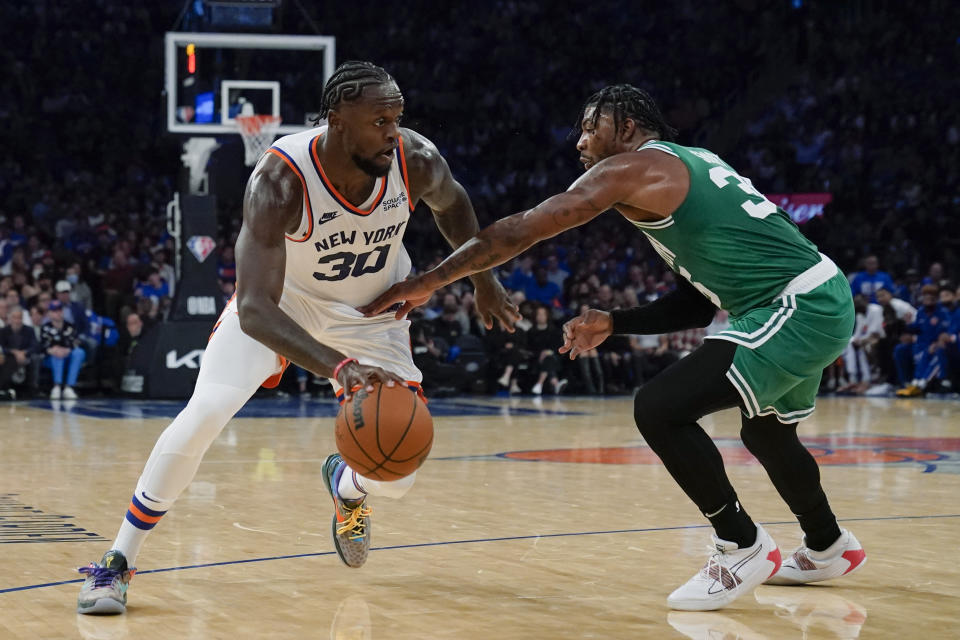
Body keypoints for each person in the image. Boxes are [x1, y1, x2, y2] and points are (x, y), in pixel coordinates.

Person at [362, 84, 866, 611]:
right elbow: (696, 305)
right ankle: (828, 545)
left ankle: (741, 544)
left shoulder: (631, 170)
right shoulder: (689, 163)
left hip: (795, 306)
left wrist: (431, 280)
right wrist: (614, 321)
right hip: (815, 298)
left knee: (659, 408)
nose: (579, 141)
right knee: (766, 432)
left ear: (625, 126)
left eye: (590, 127)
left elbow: (525, 229)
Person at [76, 61, 518, 615]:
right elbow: (256, 309)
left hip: (370, 315)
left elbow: (454, 207)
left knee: (397, 474)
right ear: (336, 120)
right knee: (205, 412)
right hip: (283, 303)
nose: (391, 132)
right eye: (379, 119)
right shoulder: (280, 179)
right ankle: (117, 561)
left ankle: (348, 486)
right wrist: (338, 367)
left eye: (397, 118)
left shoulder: (416, 159)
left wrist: (482, 279)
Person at [41, 300, 86, 399]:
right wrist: (53, 350)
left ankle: (69, 387)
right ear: (49, 313)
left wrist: (67, 350)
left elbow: (75, 342)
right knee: (57, 354)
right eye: (54, 311)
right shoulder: (45, 327)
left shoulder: (70, 326)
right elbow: (43, 345)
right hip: (51, 358)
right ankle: (57, 386)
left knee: (79, 352)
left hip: (68, 355)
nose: (58, 313)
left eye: (59, 310)